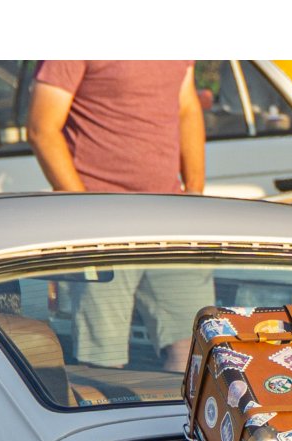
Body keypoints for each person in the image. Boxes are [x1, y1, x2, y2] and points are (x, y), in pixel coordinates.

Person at [27, 61, 210, 372]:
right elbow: (42, 129)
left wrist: (193, 191)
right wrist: (88, 209)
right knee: (103, 362)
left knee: (196, 352)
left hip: (172, 218)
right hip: (103, 225)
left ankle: (180, 422)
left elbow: (187, 107)